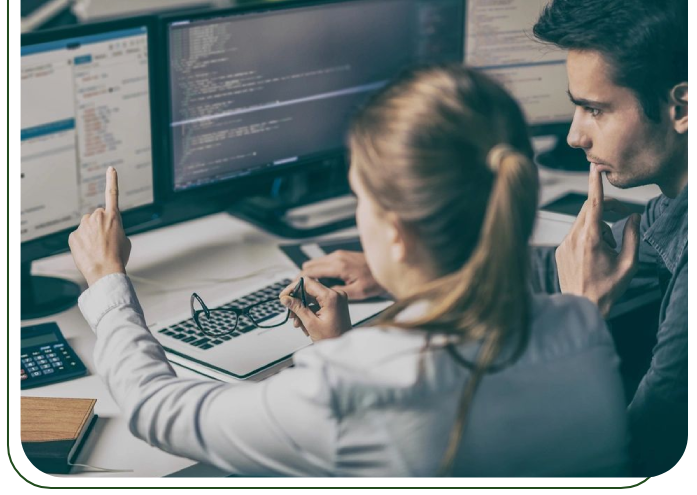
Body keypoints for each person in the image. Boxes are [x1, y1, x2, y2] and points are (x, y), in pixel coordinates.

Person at [69, 65, 629, 478]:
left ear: (393, 232)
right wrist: (332, 349)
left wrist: (106, 281)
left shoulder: (352, 386)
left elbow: (153, 410)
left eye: (360, 196)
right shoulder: (580, 323)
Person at [305, 0, 688, 477]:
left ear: (681, 107)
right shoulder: (673, 209)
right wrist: (412, 265)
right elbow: (571, 264)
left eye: (595, 110)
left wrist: (579, 315)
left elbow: (636, 461)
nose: (576, 136)